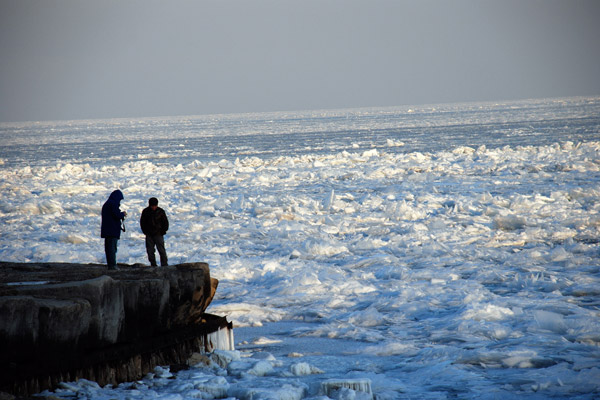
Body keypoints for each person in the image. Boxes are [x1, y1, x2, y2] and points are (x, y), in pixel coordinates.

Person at [101, 190, 127, 270]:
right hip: (112, 230)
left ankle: (110, 264)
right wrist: (122, 214)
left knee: (108, 248)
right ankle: (112, 265)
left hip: (107, 229)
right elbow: (116, 215)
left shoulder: (107, 204)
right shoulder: (113, 204)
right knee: (112, 248)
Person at [140, 197, 169, 267]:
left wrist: (163, 231)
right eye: (152, 206)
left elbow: (165, 222)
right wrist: (145, 231)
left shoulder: (161, 211)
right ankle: (153, 265)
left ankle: (164, 265)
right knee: (150, 251)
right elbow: (142, 223)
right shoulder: (145, 211)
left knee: (161, 250)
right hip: (149, 235)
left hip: (158, 234)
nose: (154, 207)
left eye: (155, 206)